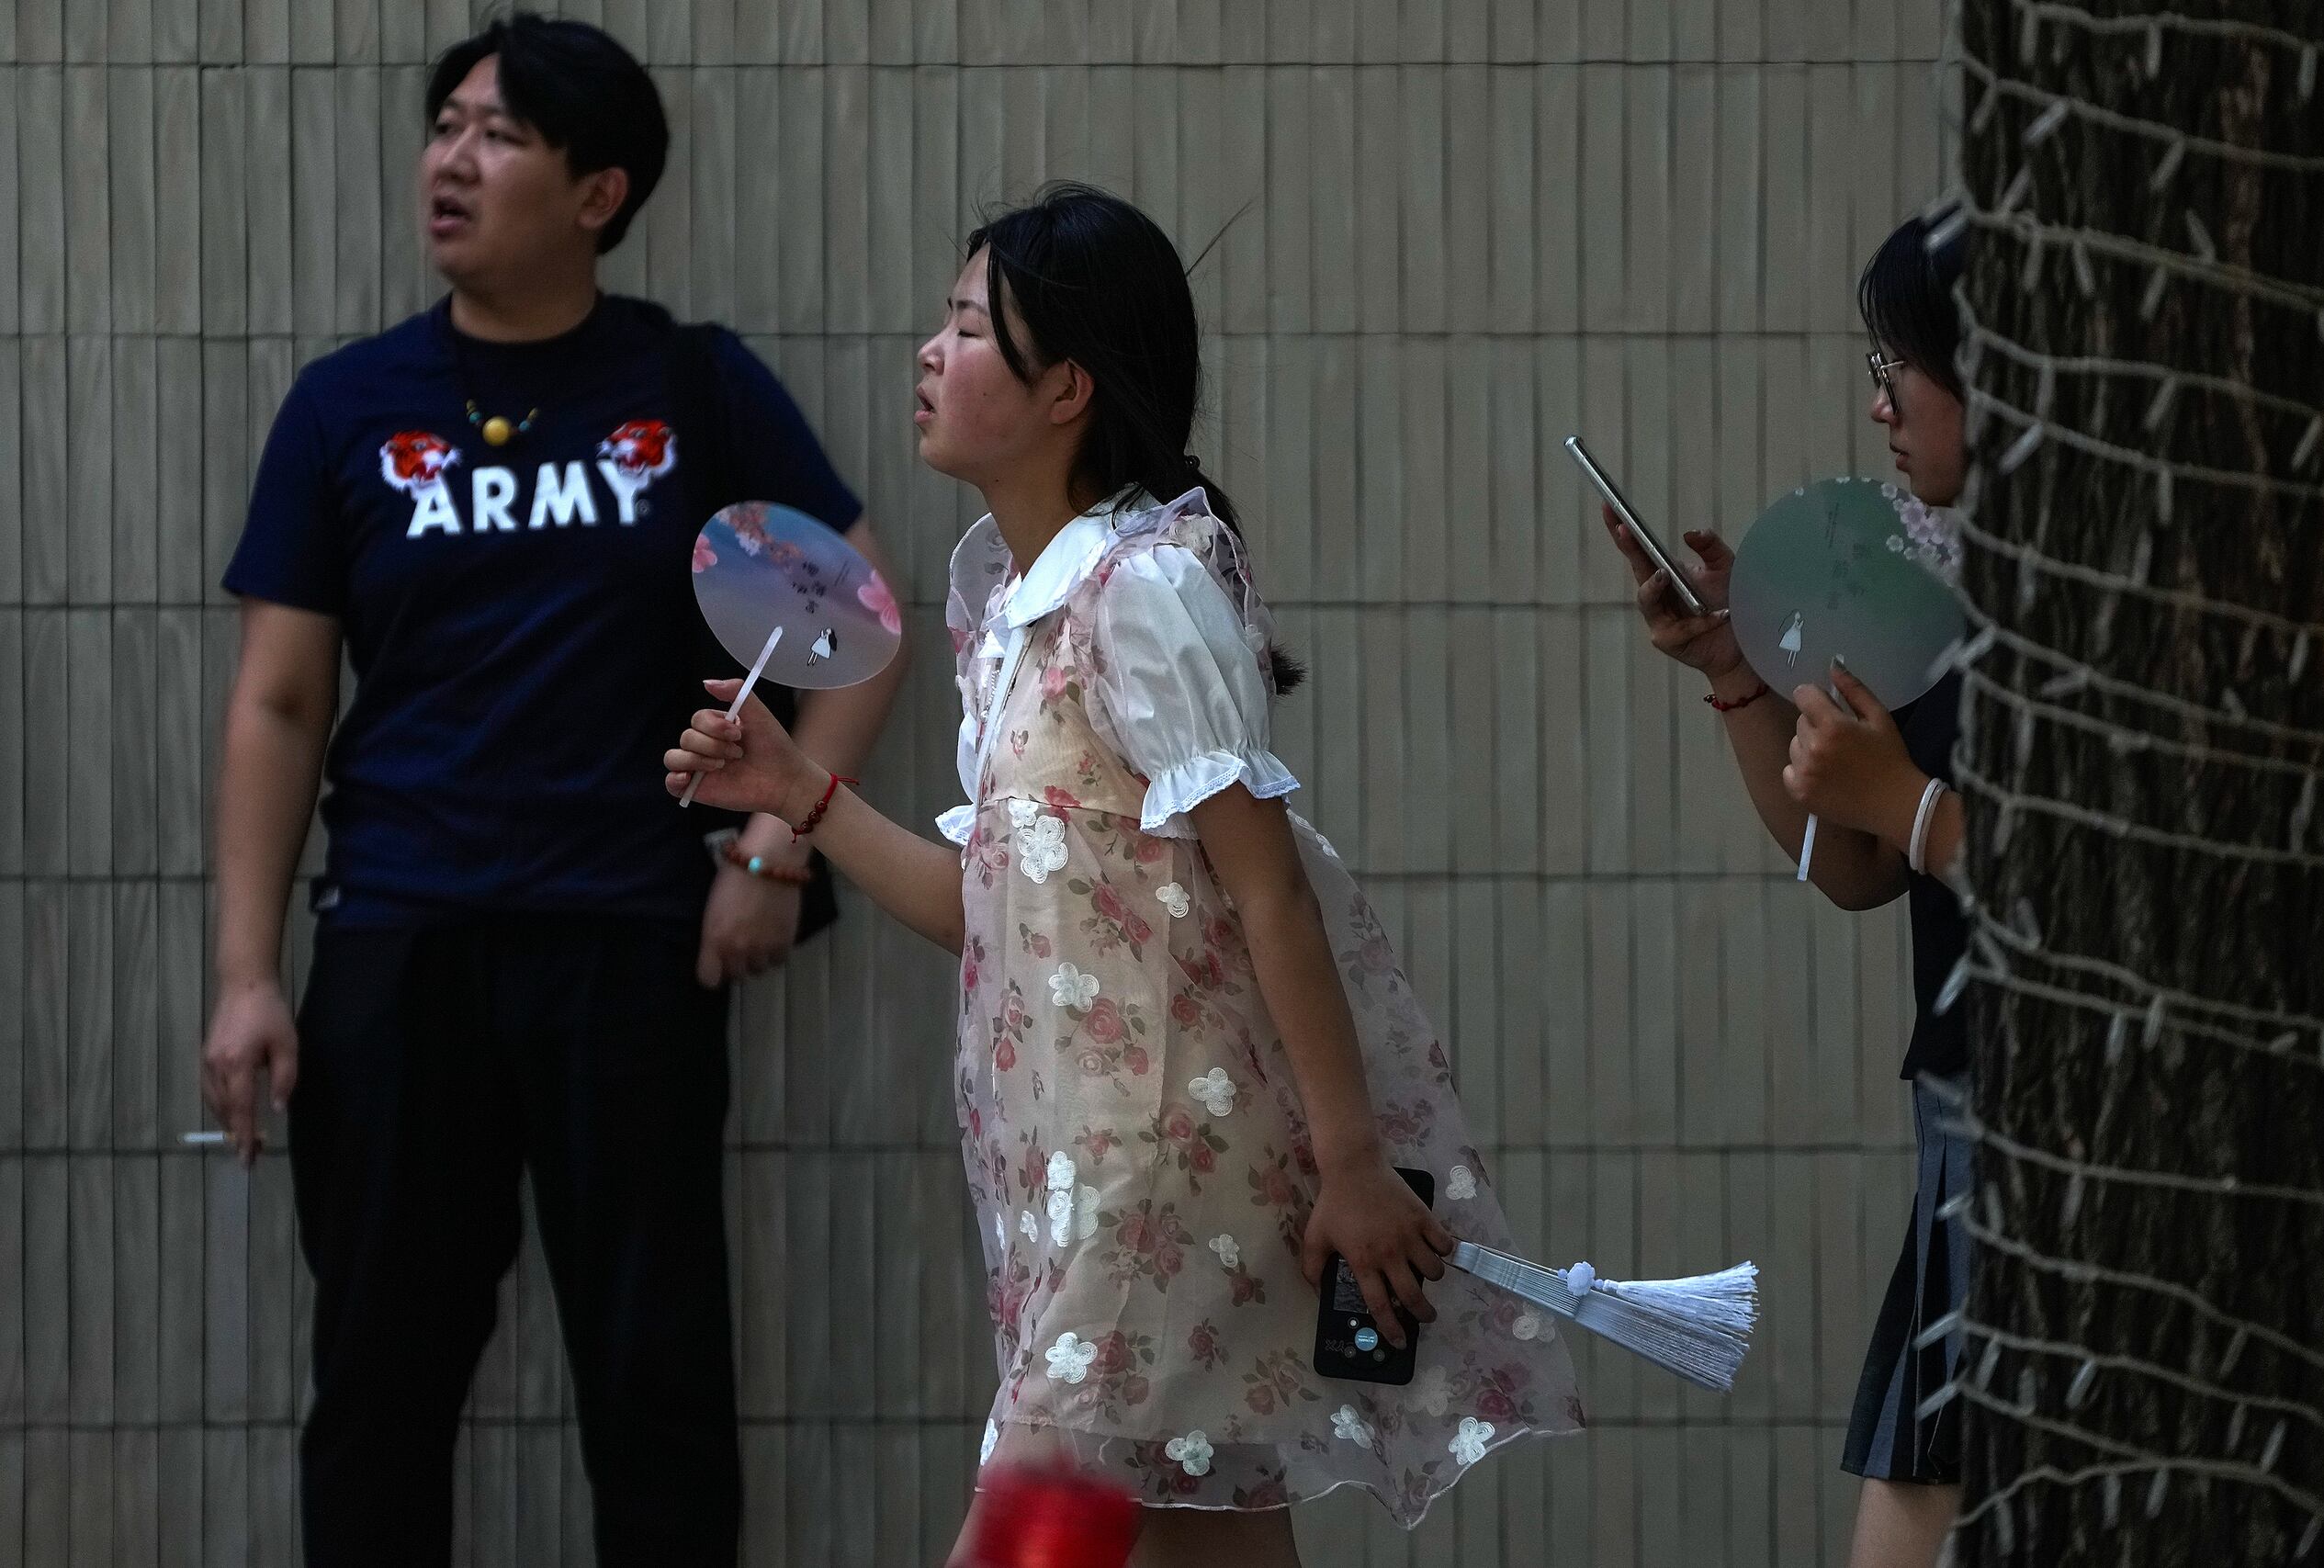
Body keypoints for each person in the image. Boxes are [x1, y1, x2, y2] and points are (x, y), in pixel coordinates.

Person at [665, 184, 1583, 1567]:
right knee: (1219, 1540)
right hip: (1086, 1178)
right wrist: (801, 798)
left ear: (1067, 389)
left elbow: (1269, 889)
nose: (928, 351)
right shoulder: (1013, 614)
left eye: (967, 326)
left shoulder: (1143, 590)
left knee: (1033, 1531)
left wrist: (1349, 1163)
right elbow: (991, 914)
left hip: (1153, 1186)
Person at [197, 14, 907, 1564]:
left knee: (657, 1387)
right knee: (378, 1386)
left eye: (500, 134)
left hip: (629, 944)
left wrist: (775, 845)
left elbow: (859, 631)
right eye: (445, 125)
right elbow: (280, 700)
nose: (450, 160)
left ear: (599, 192)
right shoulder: (348, 405)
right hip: (399, 942)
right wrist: (248, 976)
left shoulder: (692, 384)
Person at [1610, 209, 1971, 1568]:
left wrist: (1915, 805)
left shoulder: (2110, 610)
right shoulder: (1945, 583)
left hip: (2073, 1135)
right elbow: (1857, 868)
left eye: (1901, 366)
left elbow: (2120, 897)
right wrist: (1736, 675)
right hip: (1966, 1111)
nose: (1881, 405)